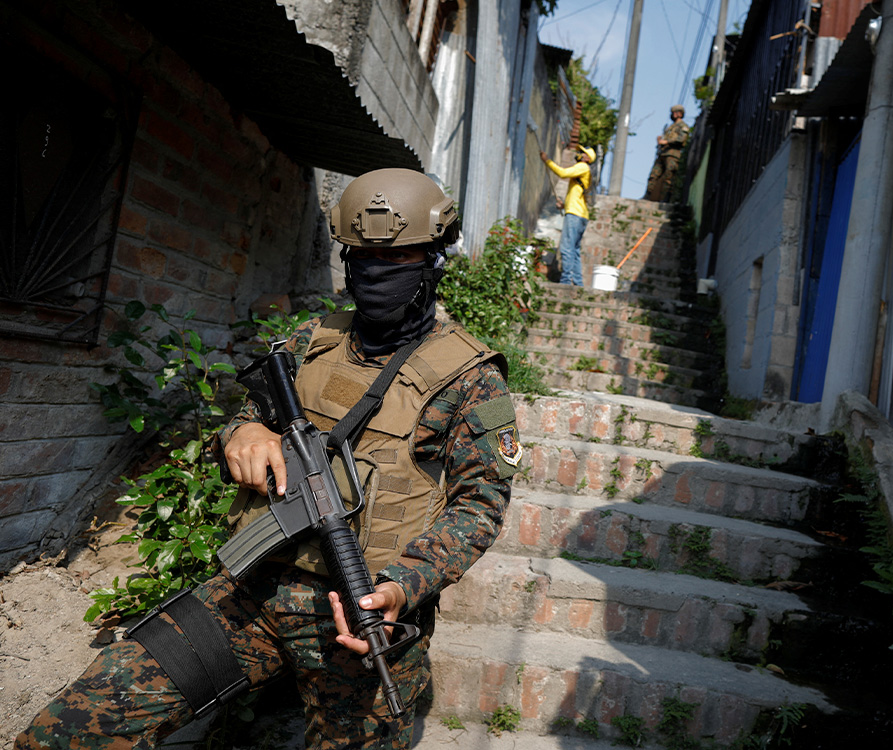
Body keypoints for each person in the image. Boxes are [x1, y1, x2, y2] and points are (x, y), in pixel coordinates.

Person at [14, 169, 521, 750]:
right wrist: (243, 431)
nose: (377, 272)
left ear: (433, 261)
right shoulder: (310, 342)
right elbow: (244, 418)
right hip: (249, 590)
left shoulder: (471, 379)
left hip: (360, 614)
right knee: (70, 728)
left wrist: (403, 586)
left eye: (398, 257)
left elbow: (479, 506)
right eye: (363, 257)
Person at [539, 144, 596, 286]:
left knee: (566, 247)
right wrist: (564, 206)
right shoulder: (584, 171)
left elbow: (563, 173)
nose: (579, 153)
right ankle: (577, 282)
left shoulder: (583, 167)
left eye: (583, 153)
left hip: (575, 215)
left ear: (587, 158)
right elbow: (577, 196)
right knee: (574, 250)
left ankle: (565, 281)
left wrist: (547, 161)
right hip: (581, 214)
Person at [643, 105, 690, 202]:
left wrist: (666, 142)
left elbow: (681, 139)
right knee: (653, 176)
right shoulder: (670, 127)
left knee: (669, 177)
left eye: (676, 112)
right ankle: (647, 196)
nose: (674, 114)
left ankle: (666, 199)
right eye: (673, 112)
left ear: (680, 114)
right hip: (663, 153)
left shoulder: (683, 126)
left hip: (673, 154)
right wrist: (660, 141)